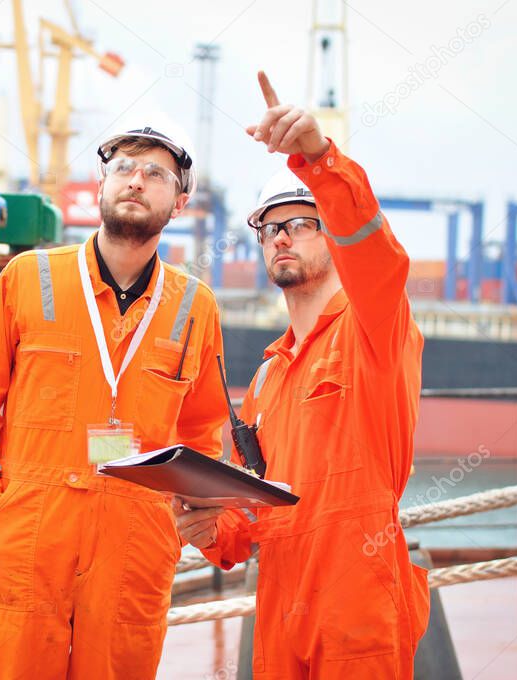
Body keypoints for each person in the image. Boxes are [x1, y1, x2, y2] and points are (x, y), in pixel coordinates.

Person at [0, 125, 228, 679]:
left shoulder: (196, 307)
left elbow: (202, 431)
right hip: (26, 537)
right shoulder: (28, 279)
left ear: (180, 201)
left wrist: (172, 526)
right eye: (123, 167)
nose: (136, 181)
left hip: (134, 543)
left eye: (155, 174)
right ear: (101, 182)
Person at [174, 72, 430, 679]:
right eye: (269, 227)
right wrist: (204, 525)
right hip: (279, 611)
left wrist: (317, 160)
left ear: (333, 232)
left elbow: (377, 256)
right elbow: (248, 522)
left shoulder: (374, 330)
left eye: (300, 221)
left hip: (359, 605)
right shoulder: (268, 378)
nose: (281, 236)